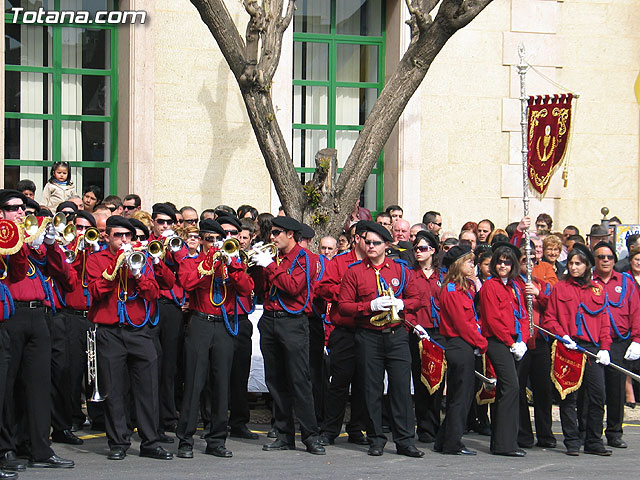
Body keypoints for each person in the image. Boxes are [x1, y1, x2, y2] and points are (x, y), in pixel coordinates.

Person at [85, 215, 174, 461]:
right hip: (110, 332)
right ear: (107, 237)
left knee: (148, 388)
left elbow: (155, 292)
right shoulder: (96, 259)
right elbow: (93, 291)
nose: (124, 240)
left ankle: (150, 441)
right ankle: (118, 441)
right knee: (114, 389)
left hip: (140, 331)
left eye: (128, 236)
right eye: (118, 236)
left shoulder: (141, 257)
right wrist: (114, 271)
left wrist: (138, 274)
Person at [0, 190, 76, 470]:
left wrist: (51, 245)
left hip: (38, 314)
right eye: (13, 208)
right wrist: (22, 244)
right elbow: (16, 272)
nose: (21, 213)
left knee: (39, 385)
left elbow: (62, 275)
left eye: (23, 209)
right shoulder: (7, 240)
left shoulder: (29, 238)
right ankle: (6, 447)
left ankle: (39, 448)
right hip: (11, 316)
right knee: (7, 387)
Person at [338, 222, 424, 458]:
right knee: (371, 389)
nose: (371, 246)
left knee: (401, 390)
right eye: (367, 242)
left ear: (387, 245)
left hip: (396, 335)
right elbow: (343, 306)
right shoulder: (355, 271)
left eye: (376, 243)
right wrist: (369, 306)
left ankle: (405, 441)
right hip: (368, 336)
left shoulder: (400, 269)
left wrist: (403, 304)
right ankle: (376, 439)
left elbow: (417, 297)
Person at [175, 219, 254, 458]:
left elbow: (246, 288)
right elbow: (187, 282)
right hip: (200, 322)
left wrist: (233, 266)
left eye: (218, 240)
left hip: (225, 325)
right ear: (200, 240)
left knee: (222, 385)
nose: (214, 244)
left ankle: (217, 440)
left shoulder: (233, 263)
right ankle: (185, 440)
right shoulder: (193, 261)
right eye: (209, 239)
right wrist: (209, 263)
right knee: (195, 382)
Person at [251, 216, 325, 455]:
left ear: (291, 234)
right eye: (271, 233)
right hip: (270, 321)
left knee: (299, 380)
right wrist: (257, 266)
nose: (272, 238)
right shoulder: (274, 257)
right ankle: (283, 434)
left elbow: (294, 288)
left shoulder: (305, 259)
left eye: (276, 233)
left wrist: (270, 265)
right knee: (276, 380)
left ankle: (311, 436)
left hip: (293, 322)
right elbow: (261, 289)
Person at [542, 243, 612, 456]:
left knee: (597, 396)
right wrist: (562, 335)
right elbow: (549, 318)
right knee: (569, 397)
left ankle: (593, 440)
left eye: (578, 264)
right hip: (569, 347)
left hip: (591, 349)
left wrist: (605, 348)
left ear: (587, 265)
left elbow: (604, 321)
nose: (573, 267)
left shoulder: (598, 289)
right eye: (571, 263)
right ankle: (572, 440)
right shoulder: (560, 288)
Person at [317, 221, 371, 447]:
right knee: (339, 382)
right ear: (357, 239)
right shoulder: (339, 262)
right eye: (367, 240)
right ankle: (330, 429)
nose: (371, 245)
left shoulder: (375, 264)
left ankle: (356, 428)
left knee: (364, 382)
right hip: (345, 329)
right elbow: (322, 288)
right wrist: (346, 292)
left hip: (368, 329)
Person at [434, 244, 487, 455]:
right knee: (460, 397)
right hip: (459, 344)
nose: (472, 265)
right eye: (469, 262)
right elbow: (462, 324)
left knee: (462, 395)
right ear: (458, 265)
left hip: (465, 343)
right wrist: (481, 343)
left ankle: (444, 440)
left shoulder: (464, 288)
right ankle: (452, 443)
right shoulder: (452, 290)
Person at [479, 242, 529, 457]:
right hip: (498, 342)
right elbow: (492, 319)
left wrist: (523, 341)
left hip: (517, 342)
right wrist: (510, 343)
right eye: (500, 262)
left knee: (509, 390)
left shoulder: (517, 286)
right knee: (510, 388)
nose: (503, 266)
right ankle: (505, 443)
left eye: (508, 263)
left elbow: (525, 316)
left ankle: (503, 441)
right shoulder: (490, 286)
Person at [591, 241, 640, 449]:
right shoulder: (588, 281)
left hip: (620, 342)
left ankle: (614, 432)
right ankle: (591, 432)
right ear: (595, 260)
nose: (605, 261)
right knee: (595, 391)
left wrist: (637, 339)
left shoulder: (626, 281)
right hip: (595, 343)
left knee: (616, 390)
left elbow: (636, 310)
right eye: (601, 257)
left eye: (609, 257)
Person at [514, 244, 556, 449]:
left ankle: (546, 434)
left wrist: (538, 293)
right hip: (521, 342)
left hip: (540, 341)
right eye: (524, 261)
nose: (528, 265)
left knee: (543, 390)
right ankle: (523, 434)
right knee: (519, 388)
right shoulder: (513, 284)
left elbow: (554, 306)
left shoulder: (541, 284)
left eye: (531, 261)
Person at [406, 231, 444, 444]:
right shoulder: (410, 274)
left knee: (438, 381)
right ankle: (424, 427)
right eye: (416, 249)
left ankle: (435, 423)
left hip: (438, 332)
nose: (418, 252)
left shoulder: (442, 275)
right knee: (421, 381)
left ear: (432, 251)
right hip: (418, 331)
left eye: (422, 248)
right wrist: (415, 325)